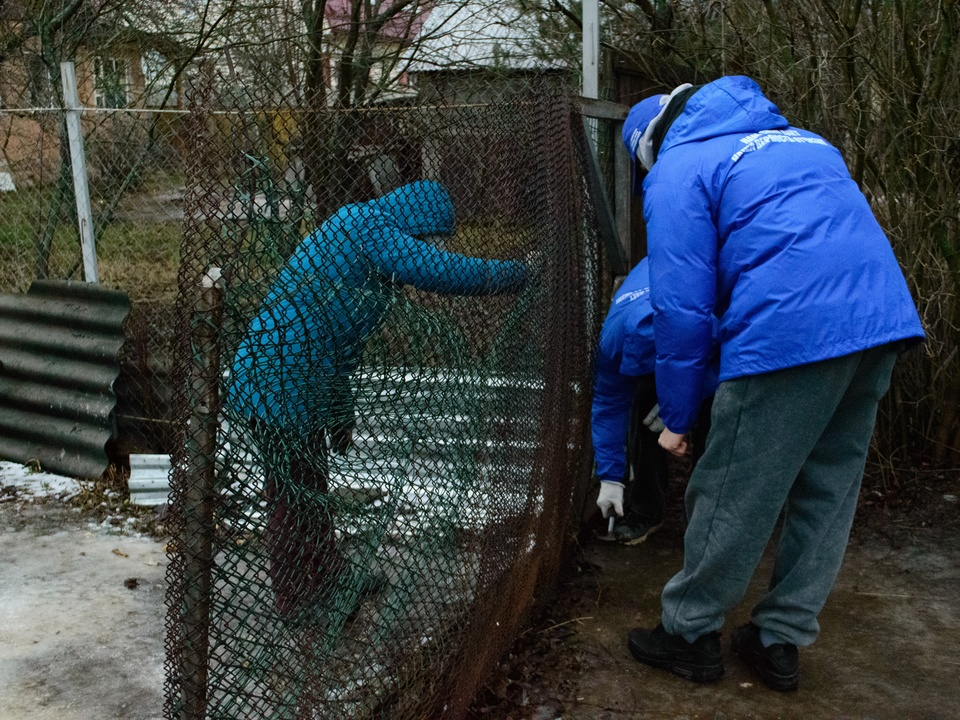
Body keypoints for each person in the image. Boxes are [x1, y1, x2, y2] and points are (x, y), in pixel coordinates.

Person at [619, 76, 925, 690]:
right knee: (828, 488)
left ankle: (689, 632)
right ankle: (779, 638)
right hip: (878, 322)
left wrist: (677, 418)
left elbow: (682, 310)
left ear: (651, 145)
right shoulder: (804, 141)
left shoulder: (680, 168)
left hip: (791, 333)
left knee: (734, 485)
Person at [226, 180, 528, 618]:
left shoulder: (367, 245)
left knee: (310, 486)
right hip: (274, 381)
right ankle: (297, 601)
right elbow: (443, 271)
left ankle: (329, 576)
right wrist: (517, 274)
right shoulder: (366, 226)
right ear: (415, 223)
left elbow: (337, 336)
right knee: (291, 498)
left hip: (303, 381)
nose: (426, 248)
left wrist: (339, 408)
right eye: (426, 240)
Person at [592, 257, 716, 545]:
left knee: (717, 418)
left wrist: (688, 397)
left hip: (705, 346)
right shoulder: (612, 341)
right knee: (644, 410)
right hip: (666, 340)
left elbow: (734, 356)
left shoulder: (702, 321)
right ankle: (647, 511)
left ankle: (707, 521)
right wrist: (610, 477)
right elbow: (608, 404)